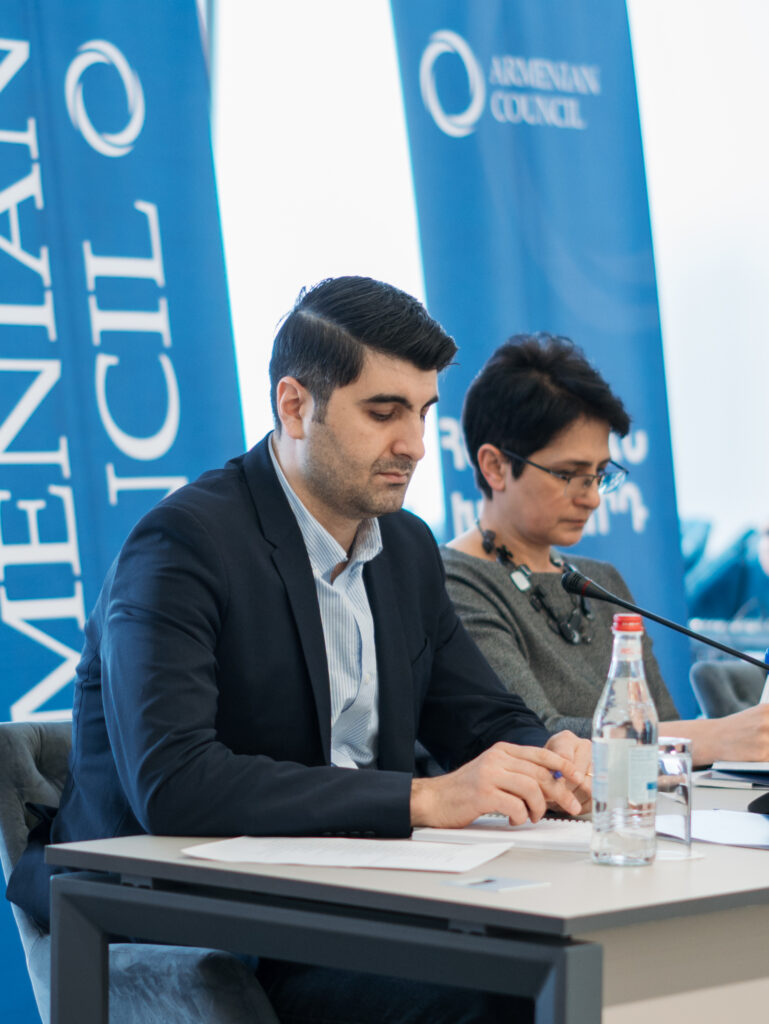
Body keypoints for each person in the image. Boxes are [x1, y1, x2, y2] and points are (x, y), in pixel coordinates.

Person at [8, 279, 590, 1024]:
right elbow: (175, 782)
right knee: (523, 990)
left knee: (582, 961)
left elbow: (480, 718)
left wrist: (549, 756)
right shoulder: (182, 543)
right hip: (198, 928)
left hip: (358, 900)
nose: (414, 445)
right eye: (383, 412)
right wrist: (422, 798)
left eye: (422, 412)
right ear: (294, 406)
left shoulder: (405, 548)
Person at [442, 333, 769, 767]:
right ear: (495, 466)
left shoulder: (601, 581)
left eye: (599, 474)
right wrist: (717, 736)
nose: (593, 497)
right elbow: (532, 737)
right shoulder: (451, 581)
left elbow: (664, 730)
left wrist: (701, 743)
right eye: (570, 475)